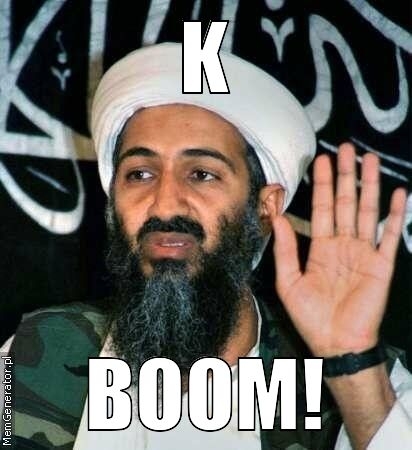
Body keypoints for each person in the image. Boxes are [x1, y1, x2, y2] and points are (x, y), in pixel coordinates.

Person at [4, 42, 412, 449]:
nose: (165, 204)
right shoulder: (32, 354)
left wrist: (350, 363)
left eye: (201, 174)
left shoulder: (372, 385)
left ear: (264, 208)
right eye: (140, 174)